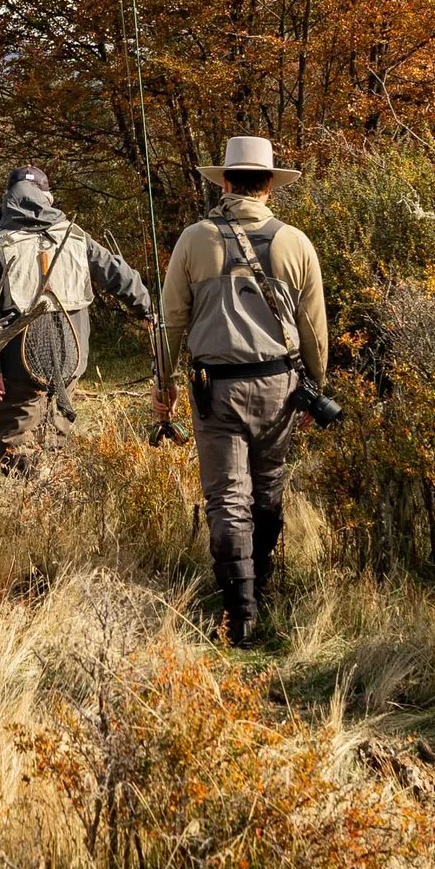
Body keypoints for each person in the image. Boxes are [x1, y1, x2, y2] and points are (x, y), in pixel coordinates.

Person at [157, 136, 328, 646]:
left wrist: (163, 383)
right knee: (268, 487)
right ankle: (262, 581)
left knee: (227, 498)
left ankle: (240, 611)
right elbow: (314, 329)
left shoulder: (193, 239)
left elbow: (171, 322)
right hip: (279, 384)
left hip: (215, 390)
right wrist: (315, 386)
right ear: (270, 187)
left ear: (226, 182)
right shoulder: (296, 242)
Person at [0, 166, 155, 472]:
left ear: (7, 200)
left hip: (17, 367)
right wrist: (145, 309)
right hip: (72, 358)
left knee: (13, 441)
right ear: (47, 198)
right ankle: (52, 493)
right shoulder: (75, 237)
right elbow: (117, 273)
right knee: (56, 434)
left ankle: (34, 503)